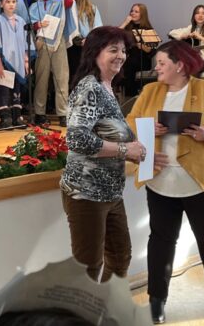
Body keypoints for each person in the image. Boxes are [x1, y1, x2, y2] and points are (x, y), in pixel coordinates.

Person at [125, 40, 204, 324]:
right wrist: (149, 126)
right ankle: (157, 300)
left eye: (162, 63)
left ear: (180, 65)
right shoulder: (150, 91)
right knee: (161, 241)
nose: (157, 68)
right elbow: (131, 121)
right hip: (161, 180)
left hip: (202, 179)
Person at [61, 26, 158, 284]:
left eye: (123, 50)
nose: (121, 56)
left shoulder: (106, 87)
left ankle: (105, 304)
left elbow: (107, 132)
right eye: (113, 50)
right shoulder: (90, 88)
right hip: (86, 192)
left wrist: (133, 145)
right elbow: (76, 138)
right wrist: (126, 150)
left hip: (111, 192)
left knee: (119, 258)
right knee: (88, 267)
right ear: (95, 53)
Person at [28, 0, 78, 127]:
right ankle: (40, 113)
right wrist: (38, 25)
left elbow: (69, 1)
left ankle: (63, 114)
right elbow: (29, 25)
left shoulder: (59, 4)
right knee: (41, 79)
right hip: (42, 44)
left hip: (58, 43)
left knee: (62, 78)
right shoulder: (34, 6)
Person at [0, 0, 30, 128]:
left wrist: (26, 61)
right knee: (4, 88)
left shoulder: (21, 21)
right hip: (4, 60)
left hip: (19, 60)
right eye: (7, 2)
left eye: (13, 1)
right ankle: (5, 116)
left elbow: (25, 43)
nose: (11, 4)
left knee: (17, 88)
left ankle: (16, 115)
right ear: (1, 4)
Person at [168, 5, 204, 73]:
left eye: (203, 13)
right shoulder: (191, 28)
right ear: (194, 16)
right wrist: (185, 36)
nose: (200, 15)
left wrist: (202, 38)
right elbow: (171, 33)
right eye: (197, 13)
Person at [119, 3, 157, 99]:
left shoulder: (147, 29)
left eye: (136, 11)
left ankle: (130, 96)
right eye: (132, 11)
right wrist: (125, 23)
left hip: (142, 59)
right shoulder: (128, 27)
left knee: (129, 64)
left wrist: (139, 45)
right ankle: (125, 94)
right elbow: (114, 35)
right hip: (129, 58)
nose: (133, 13)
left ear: (142, 14)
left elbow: (150, 50)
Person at [66, 0, 102, 79]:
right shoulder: (67, 8)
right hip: (72, 46)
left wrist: (88, 39)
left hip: (87, 45)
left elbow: (98, 28)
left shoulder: (92, 8)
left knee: (88, 75)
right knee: (74, 75)